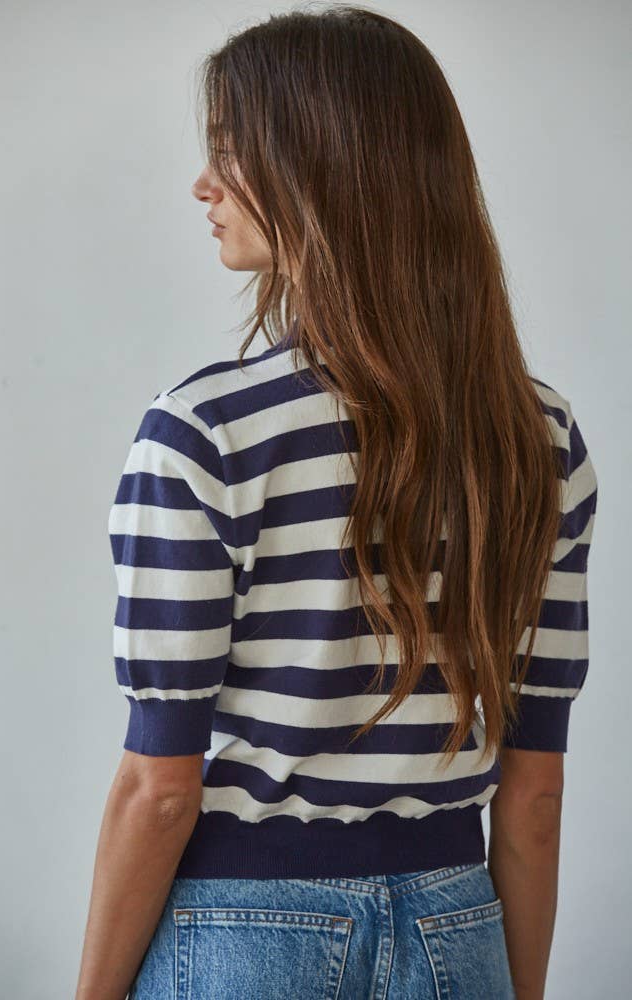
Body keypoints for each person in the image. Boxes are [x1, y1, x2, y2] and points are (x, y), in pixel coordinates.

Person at [75, 6, 598, 999]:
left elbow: (159, 786)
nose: (202, 183)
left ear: (317, 169)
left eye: (230, 151)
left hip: (245, 930)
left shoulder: (208, 430)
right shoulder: (538, 437)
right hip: (457, 925)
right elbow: (534, 792)